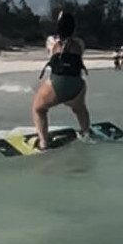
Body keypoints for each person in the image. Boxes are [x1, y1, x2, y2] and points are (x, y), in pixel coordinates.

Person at [32, 10, 90, 150]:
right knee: (79, 109)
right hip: (77, 85)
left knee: (38, 109)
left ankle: (43, 142)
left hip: (57, 83)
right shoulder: (80, 43)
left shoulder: (51, 41)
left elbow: (51, 53)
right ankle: (86, 133)